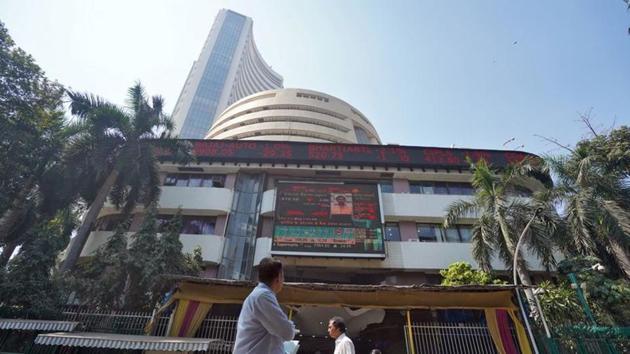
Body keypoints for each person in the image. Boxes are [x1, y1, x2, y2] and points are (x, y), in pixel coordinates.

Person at [233, 257, 296, 354]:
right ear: (278, 278)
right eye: (283, 276)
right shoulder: (263, 296)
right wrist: (290, 325)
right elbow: (287, 333)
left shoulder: (259, 295)